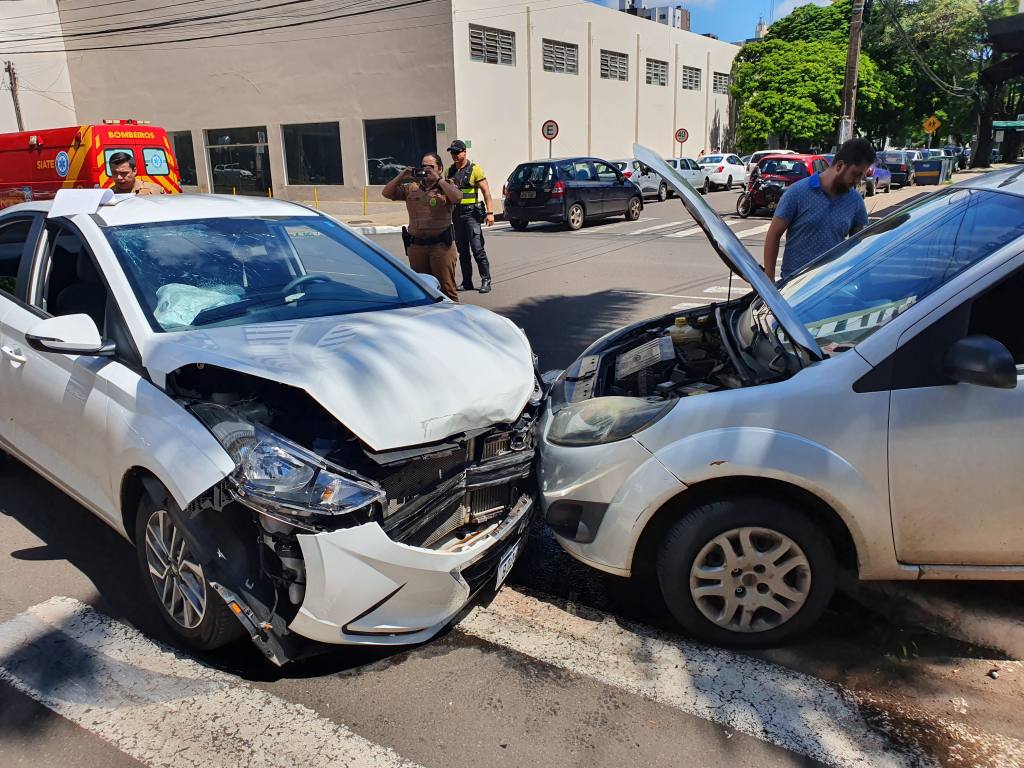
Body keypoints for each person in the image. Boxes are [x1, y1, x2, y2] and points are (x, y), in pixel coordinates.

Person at [763, 138, 873, 281]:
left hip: (829, 288)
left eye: (862, 176)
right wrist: (769, 280)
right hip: (794, 287)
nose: (858, 181)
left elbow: (860, 244)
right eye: (855, 174)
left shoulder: (855, 201)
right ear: (840, 166)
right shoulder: (797, 193)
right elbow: (773, 235)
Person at [382, 152, 461, 301]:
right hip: (417, 247)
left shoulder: (447, 186)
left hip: (441, 247)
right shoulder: (412, 187)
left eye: (430, 167)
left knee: (447, 290)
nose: (426, 170)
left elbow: (457, 198)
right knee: (422, 290)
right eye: (423, 166)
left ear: (440, 168)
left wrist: (438, 179)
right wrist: (402, 175)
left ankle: (452, 320)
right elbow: (386, 193)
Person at [445, 139, 494, 294]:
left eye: (457, 152)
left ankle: (486, 280)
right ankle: (467, 281)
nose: (454, 155)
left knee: (477, 249)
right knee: (463, 251)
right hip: (456, 215)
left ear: (464, 152)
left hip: (471, 215)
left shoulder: (475, 170)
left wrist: (490, 213)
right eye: (452, 152)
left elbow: (486, 192)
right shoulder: (449, 171)